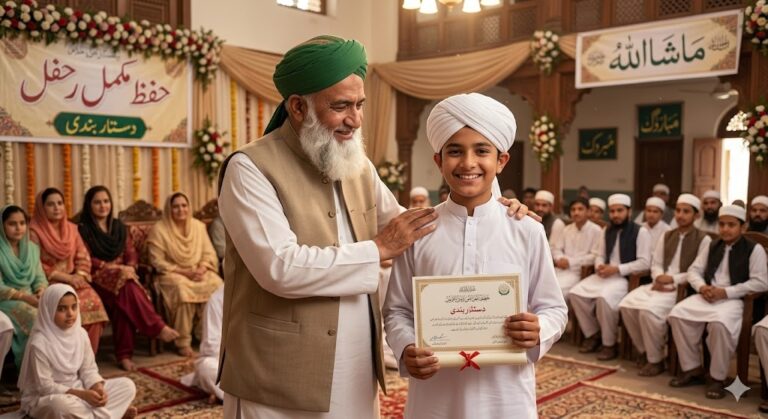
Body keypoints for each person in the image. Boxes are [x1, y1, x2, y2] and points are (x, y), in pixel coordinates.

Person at [216, 36, 533, 419]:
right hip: (277, 372)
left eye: (360, 105)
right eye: (341, 106)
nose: (356, 119)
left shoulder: (354, 162)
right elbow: (279, 268)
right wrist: (378, 250)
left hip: (354, 364)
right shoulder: (249, 168)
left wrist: (493, 208)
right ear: (298, 107)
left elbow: (416, 225)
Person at [384, 92, 566, 418]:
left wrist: (540, 328)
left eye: (482, 150)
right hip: (435, 394)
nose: (468, 163)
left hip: (506, 396)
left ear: (501, 161)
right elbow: (397, 310)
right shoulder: (419, 231)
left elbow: (553, 307)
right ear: (439, 161)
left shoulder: (527, 230)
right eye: (455, 151)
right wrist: (407, 347)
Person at [668, 205, 768, 399]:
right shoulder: (712, 245)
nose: (725, 229)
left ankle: (717, 378)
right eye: (722, 224)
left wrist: (727, 292)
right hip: (707, 295)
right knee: (677, 314)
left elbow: (761, 282)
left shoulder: (754, 249)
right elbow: (693, 271)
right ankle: (693, 369)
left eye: (731, 225)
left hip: (734, 300)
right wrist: (701, 287)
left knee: (719, 325)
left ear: (743, 226)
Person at [78, 186, 179, 371]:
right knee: (126, 287)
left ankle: (124, 355)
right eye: (97, 202)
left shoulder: (119, 227)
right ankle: (156, 328)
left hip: (123, 279)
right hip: (97, 279)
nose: (103, 206)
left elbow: (130, 252)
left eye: (106, 201)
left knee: (123, 299)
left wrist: (130, 268)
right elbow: (85, 257)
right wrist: (112, 268)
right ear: (89, 205)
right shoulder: (83, 229)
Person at [618, 194, 711, 376]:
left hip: (681, 289)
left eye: (686, 211)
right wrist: (659, 277)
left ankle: (656, 360)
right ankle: (645, 350)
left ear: (696, 215)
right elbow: (656, 263)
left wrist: (673, 280)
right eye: (678, 210)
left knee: (647, 312)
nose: (681, 215)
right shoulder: (667, 235)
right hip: (658, 284)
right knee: (626, 305)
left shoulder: (703, 239)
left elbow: (698, 270)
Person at [18, 284, 137, 419]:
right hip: (49, 397)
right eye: (62, 309)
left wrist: (97, 388)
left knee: (127, 386)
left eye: (74, 307)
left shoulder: (80, 334)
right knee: (59, 407)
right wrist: (82, 395)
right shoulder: (39, 344)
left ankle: (102, 414)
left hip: (80, 389)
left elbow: (89, 370)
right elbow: (44, 387)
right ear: (49, 310)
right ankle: (112, 414)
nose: (70, 313)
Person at [570, 194, 651, 361]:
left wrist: (618, 269)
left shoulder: (640, 231)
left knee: (604, 299)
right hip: (604, 274)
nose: (615, 215)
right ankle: (593, 334)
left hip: (623, 278)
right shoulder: (607, 229)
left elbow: (645, 263)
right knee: (576, 293)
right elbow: (599, 254)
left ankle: (609, 344)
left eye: (619, 211)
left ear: (628, 211)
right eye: (613, 211)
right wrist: (599, 265)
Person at [29, 188, 108, 354]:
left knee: (94, 304)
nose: (57, 207)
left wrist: (79, 276)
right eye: (50, 204)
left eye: (59, 203)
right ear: (42, 208)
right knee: (63, 313)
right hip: (48, 282)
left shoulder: (72, 229)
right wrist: (66, 278)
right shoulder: (34, 231)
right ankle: (64, 363)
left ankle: (87, 361)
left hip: (74, 280)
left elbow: (83, 256)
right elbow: (35, 264)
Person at [147, 192, 222, 357]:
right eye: (176, 206)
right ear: (169, 209)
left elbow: (209, 254)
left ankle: (207, 336)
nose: (181, 209)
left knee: (217, 286)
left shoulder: (198, 227)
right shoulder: (159, 230)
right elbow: (157, 262)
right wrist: (184, 272)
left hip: (198, 270)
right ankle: (183, 341)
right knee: (182, 290)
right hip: (171, 273)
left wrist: (202, 268)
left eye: (184, 205)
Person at [0, 205, 48, 370]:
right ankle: (30, 372)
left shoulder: (32, 249)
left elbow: (39, 276)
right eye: (12, 224)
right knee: (34, 318)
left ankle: (56, 370)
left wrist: (41, 290)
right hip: (7, 300)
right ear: (2, 225)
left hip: (31, 297)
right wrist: (25, 297)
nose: (18, 228)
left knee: (57, 313)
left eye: (22, 223)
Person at [550, 198, 602, 297]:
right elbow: (557, 249)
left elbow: (595, 256)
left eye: (580, 209)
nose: (576, 212)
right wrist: (559, 258)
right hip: (561, 269)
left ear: (588, 211)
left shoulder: (596, 230)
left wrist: (570, 262)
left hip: (579, 272)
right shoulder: (567, 229)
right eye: (573, 210)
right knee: (541, 286)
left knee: (556, 290)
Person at [181, 285, 224, 403]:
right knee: (207, 369)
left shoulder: (267, 294)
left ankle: (226, 394)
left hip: (260, 364)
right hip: (229, 363)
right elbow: (212, 347)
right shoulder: (218, 300)